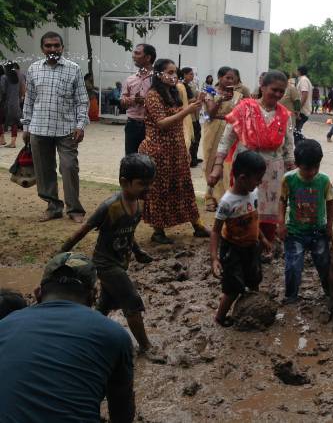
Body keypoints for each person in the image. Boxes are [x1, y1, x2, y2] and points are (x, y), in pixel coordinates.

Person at [0, 252, 135, 422]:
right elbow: (122, 411)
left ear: (38, 293)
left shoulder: (4, 325)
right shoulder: (114, 334)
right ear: (93, 295)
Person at [60, 153, 156, 353]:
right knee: (132, 301)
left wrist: (138, 251)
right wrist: (62, 252)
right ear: (124, 182)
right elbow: (84, 230)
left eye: (150, 183)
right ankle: (146, 346)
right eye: (142, 184)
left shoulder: (139, 204)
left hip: (121, 262)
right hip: (105, 264)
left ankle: (80, 338)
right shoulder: (110, 206)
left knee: (104, 305)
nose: (148, 188)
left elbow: (128, 233)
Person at [209, 70, 295, 254]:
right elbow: (227, 139)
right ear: (262, 87)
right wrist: (217, 166)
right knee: (242, 207)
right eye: (274, 90)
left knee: (270, 210)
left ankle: (265, 248)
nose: (278, 94)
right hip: (246, 169)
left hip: (273, 172)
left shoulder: (285, 115)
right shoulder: (244, 108)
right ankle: (239, 245)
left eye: (281, 91)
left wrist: (293, 171)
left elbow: (289, 146)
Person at [139, 58, 208, 244]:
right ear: (158, 74)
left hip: (176, 150)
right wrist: (187, 111)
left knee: (185, 188)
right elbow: (161, 123)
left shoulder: (173, 92)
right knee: (159, 191)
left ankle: (198, 226)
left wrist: (197, 102)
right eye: (169, 72)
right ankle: (158, 231)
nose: (174, 76)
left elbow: (178, 118)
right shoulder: (152, 95)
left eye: (175, 72)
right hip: (158, 151)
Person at [21, 31, 89, 223]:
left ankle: (74, 209)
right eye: (48, 46)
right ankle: (53, 207)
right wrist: (26, 126)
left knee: (69, 167)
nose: (53, 49)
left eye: (56, 45)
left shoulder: (73, 69)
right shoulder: (34, 69)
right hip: (39, 128)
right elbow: (29, 100)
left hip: (67, 129)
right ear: (42, 48)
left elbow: (82, 100)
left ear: (62, 47)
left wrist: (80, 125)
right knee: (44, 170)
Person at [209, 151, 270, 326]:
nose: (260, 183)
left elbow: (254, 220)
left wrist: (262, 238)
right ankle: (220, 317)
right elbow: (215, 231)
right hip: (232, 250)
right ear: (242, 178)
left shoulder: (254, 193)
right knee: (233, 287)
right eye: (258, 179)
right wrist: (214, 259)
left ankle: (255, 310)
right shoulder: (227, 202)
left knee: (254, 279)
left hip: (252, 246)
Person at [279, 139, 333, 304]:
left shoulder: (324, 180)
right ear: (297, 164)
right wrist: (281, 224)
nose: (313, 172)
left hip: (319, 230)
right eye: (308, 169)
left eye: (316, 167)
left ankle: (331, 292)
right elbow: (282, 201)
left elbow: (330, 203)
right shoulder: (289, 179)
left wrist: (329, 226)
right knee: (293, 265)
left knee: (324, 263)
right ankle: (291, 296)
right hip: (294, 231)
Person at [201, 66, 243, 211]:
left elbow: (240, 113)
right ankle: (209, 196)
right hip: (213, 128)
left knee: (225, 164)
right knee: (210, 162)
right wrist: (220, 100)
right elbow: (210, 114)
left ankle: (223, 198)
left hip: (230, 130)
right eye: (227, 78)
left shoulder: (238, 95)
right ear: (219, 78)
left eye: (232, 78)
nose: (230, 81)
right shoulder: (210, 92)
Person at [120, 43, 156, 155]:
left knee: (149, 158)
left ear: (148, 57)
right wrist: (131, 100)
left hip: (151, 126)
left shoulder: (158, 79)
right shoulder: (130, 79)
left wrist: (145, 101)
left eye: (137, 53)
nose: (133, 56)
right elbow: (122, 102)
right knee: (131, 158)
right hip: (132, 125)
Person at [180, 67, 202, 168]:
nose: (192, 76)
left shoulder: (190, 85)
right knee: (192, 138)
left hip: (194, 115)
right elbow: (184, 101)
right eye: (190, 74)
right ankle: (191, 159)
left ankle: (194, 157)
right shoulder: (181, 86)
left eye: (193, 74)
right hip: (189, 116)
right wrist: (197, 99)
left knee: (197, 136)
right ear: (184, 75)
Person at [0, 62, 26, 148]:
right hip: (16, 102)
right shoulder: (18, 76)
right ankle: (13, 142)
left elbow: (3, 90)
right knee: (14, 122)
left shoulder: (4, 77)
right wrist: (20, 98)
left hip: (6, 103)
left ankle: (2, 139)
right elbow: (22, 89)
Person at [294, 65, 312, 134]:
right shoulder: (303, 80)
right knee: (296, 131)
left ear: (299, 71)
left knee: (296, 132)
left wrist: (298, 109)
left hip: (302, 111)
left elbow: (304, 94)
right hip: (302, 110)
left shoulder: (303, 80)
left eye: (296, 70)